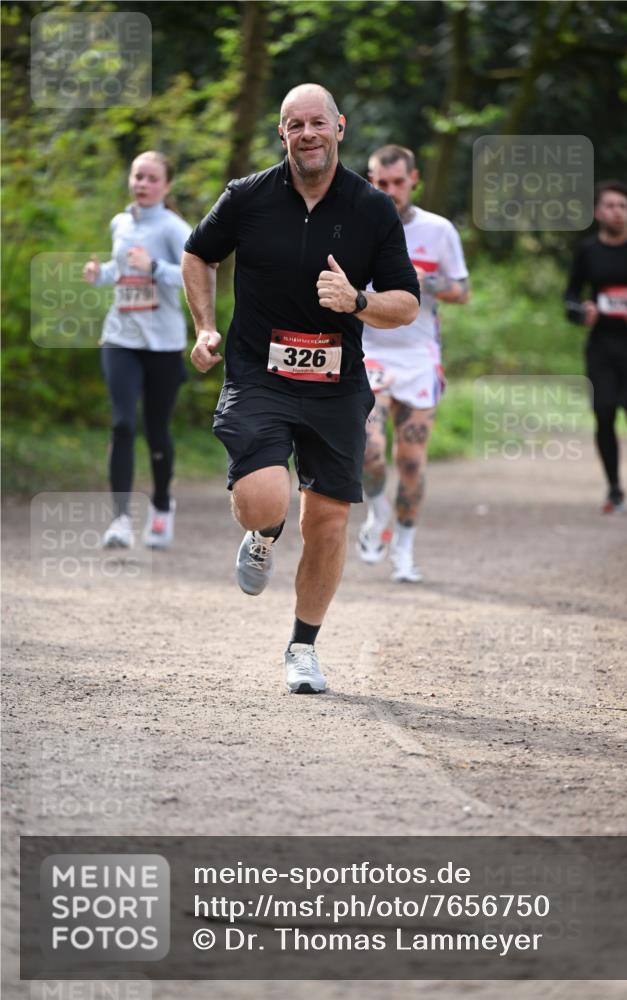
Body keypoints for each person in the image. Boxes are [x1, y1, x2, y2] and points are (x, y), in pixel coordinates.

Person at [182, 84, 419, 694]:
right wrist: (205, 327)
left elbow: (406, 303)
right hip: (260, 373)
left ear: (339, 127)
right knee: (265, 499)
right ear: (281, 134)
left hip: (337, 384)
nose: (308, 134)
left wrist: (358, 300)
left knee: (329, 523)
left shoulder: (371, 208)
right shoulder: (247, 197)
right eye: (295, 124)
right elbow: (198, 255)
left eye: (318, 122)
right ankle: (261, 535)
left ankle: (303, 647)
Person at [357, 145, 469, 582]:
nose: (389, 191)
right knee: (369, 450)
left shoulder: (438, 230)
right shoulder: (356, 226)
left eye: (397, 183)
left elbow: (463, 290)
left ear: (414, 179)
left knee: (410, 460)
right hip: (369, 351)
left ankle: (403, 547)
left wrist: (430, 282)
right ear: (370, 181)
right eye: (380, 183)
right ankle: (376, 514)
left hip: (420, 357)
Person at [83, 151, 192, 548]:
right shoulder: (120, 222)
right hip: (120, 338)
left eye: (150, 178)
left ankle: (162, 505)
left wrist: (154, 268)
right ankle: (119, 521)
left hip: (163, 344)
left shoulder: (175, 228)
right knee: (123, 423)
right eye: (137, 176)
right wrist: (101, 276)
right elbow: (119, 270)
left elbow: (194, 276)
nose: (142, 184)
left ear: (166, 185)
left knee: (156, 428)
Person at [565, 180, 627, 513]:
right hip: (602, 345)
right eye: (610, 206)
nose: (617, 212)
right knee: (604, 411)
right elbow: (570, 298)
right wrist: (583, 312)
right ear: (597, 212)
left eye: (623, 206)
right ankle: (614, 489)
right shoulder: (588, 251)